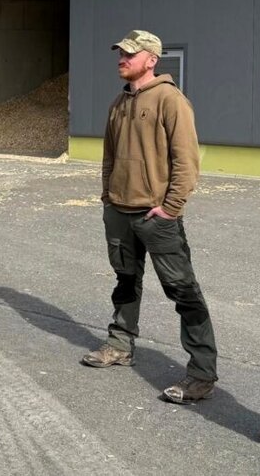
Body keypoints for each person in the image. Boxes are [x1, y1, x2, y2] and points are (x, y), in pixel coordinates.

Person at [82, 30, 217, 405]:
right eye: (120, 53)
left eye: (130, 53)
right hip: (119, 214)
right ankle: (119, 345)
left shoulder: (170, 101)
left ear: (152, 59)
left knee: (183, 292)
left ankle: (202, 374)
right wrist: (108, 196)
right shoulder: (118, 103)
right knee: (125, 282)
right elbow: (109, 158)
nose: (121, 59)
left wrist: (170, 208)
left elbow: (186, 162)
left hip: (156, 216)